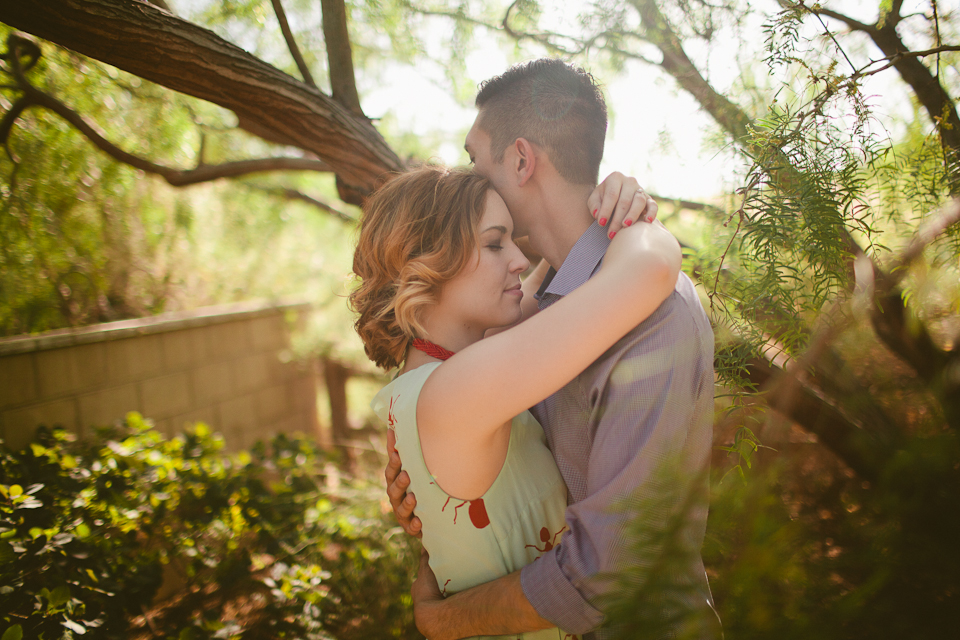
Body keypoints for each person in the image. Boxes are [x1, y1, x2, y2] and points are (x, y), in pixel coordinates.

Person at [384, 59, 721, 640]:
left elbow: (605, 577)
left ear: (519, 160)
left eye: (475, 158)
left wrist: (443, 620)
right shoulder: (535, 312)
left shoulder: (652, 318)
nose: (471, 179)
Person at [352, 164, 682, 639]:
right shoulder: (457, 391)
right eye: (494, 243)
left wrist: (615, 198)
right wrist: (645, 225)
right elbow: (650, 269)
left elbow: (560, 274)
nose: (520, 260)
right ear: (427, 262)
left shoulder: (443, 376)